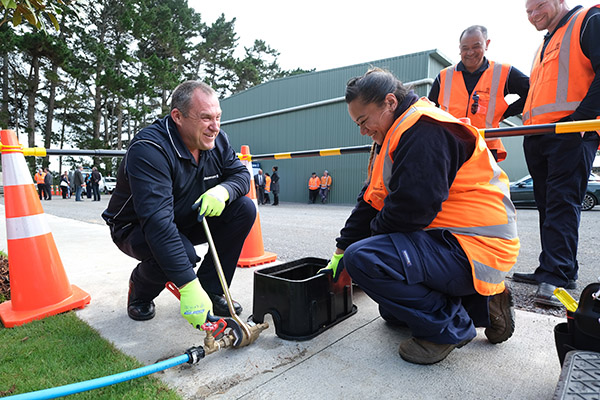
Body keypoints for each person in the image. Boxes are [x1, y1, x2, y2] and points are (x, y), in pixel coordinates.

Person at [320, 68, 519, 365]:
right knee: (392, 311)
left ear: (389, 102)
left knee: (366, 260)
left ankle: (450, 329)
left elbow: (411, 211)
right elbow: (371, 200)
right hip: (452, 243)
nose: (362, 130)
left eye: (364, 121)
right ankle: (484, 302)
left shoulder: (425, 130)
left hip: (476, 247)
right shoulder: (394, 133)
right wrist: (340, 250)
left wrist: (362, 255)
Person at [102, 80, 255, 330]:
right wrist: (187, 285)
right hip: (136, 226)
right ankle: (140, 291)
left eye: (218, 117)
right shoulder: (149, 149)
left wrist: (223, 190)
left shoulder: (217, 141)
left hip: (184, 216)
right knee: (180, 254)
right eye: (206, 118)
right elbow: (158, 225)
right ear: (178, 116)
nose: (214, 127)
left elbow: (240, 175)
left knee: (244, 209)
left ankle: (212, 289)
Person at [512, 1, 600, 307]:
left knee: (562, 202)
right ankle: (555, 268)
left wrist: (581, 120)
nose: (534, 15)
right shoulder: (545, 44)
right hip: (539, 135)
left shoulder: (588, 20)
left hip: (570, 133)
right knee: (547, 205)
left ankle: (556, 275)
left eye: (539, 6)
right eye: (528, 11)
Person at [428, 25, 530, 162]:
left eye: (476, 46)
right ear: (459, 49)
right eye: (465, 48)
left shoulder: (502, 72)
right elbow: (429, 109)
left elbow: (532, 91)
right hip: (451, 147)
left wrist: (504, 112)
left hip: (486, 147)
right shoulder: (444, 76)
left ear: (487, 44)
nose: (470, 52)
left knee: (483, 184)